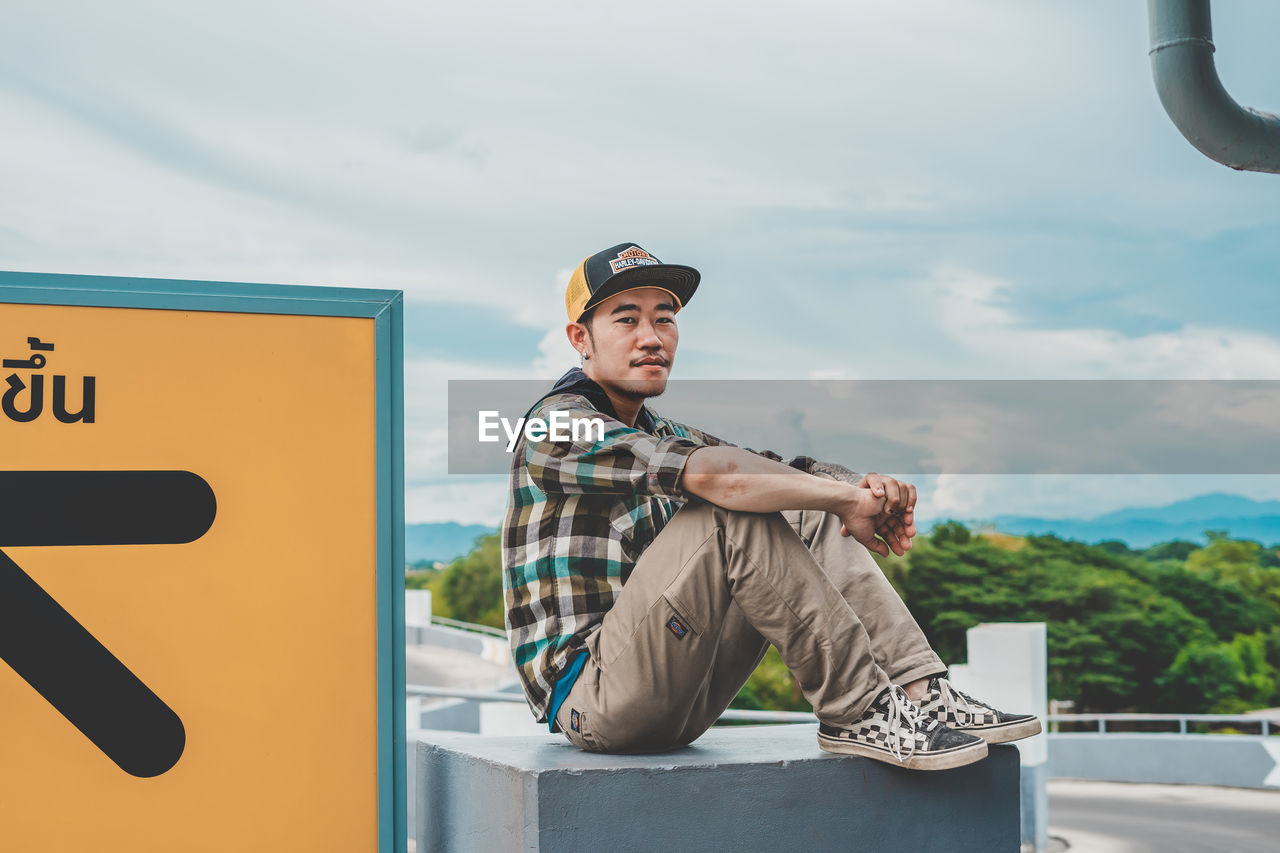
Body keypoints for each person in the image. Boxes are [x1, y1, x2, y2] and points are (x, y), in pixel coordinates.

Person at [501, 242, 1040, 770]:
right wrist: (846, 497)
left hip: (684, 692)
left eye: (664, 319)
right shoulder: (556, 425)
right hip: (592, 700)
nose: (651, 337)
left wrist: (867, 490)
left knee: (791, 500)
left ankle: (919, 693)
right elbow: (720, 478)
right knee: (728, 506)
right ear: (581, 338)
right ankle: (860, 710)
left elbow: (779, 470)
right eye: (626, 320)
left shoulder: (662, 432)